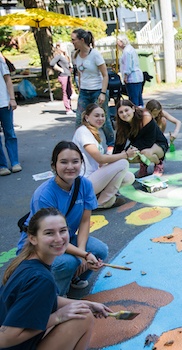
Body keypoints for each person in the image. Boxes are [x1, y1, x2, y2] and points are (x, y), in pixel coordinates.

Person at [1, 208, 112, 349]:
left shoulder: (26, 262)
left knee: (82, 310)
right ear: (32, 238)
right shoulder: (41, 279)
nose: (59, 239)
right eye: (49, 233)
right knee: (83, 317)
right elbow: (4, 338)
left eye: (63, 231)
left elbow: (41, 299)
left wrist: (86, 305)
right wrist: (58, 317)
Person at [16, 141, 108, 296]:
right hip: (41, 244)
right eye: (64, 162)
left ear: (81, 163)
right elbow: (50, 237)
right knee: (68, 262)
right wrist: (82, 255)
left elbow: (85, 221)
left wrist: (82, 252)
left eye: (75, 161)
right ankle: (54, 297)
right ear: (54, 166)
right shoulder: (44, 195)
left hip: (65, 238)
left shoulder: (84, 184)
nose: (70, 167)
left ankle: (73, 277)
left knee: (100, 250)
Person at [72, 103, 136, 209]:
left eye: (102, 115)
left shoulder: (93, 132)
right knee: (123, 163)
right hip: (83, 183)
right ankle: (101, 202)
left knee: (128, 177)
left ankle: (99, 196)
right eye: (96, 115)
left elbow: (100, 161)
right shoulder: (83, 132)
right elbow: (99, 158)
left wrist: (109, 162)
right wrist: (125, 154)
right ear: (87, 117)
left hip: (92, 177)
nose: (100, 118)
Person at [71, 28, 115, 147]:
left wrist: (103, 93)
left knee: (102, 119)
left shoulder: (95, 54)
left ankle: (112, 145)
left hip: (97, 90)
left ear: (82, 40)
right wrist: (80, 89)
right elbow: (80, 73)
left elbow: (105, 75)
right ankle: (79, 145)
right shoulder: (76, 55)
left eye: (73, 40)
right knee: (80, 119)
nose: (72, 42)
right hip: (84, 92)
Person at [113, 100, 168, 178]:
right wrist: (114, 159)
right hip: (140, 146)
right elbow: (119, 145)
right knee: (123, 156)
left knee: (145, 153)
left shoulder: (145, 117)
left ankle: (158, 163)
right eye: (121, 112)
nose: (124, 114)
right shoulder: (122, 124)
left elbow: (149, 141)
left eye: (126, 110)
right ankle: (144, 164)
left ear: (133, 109)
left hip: (157, 144)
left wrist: (129, 151)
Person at [0, 51, 20, 176]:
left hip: (3, 101)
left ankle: (14, 162)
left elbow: (7, 79)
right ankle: (2, 165)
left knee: (10, 132)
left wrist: (12, 98)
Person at [117, 35, 144, 107]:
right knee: (138, 98)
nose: (117, 44)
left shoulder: (126, 52)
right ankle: (140, 110)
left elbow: (128, 65)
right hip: (137, 77)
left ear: (122, 42)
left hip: (132, 78)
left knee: (133, 99)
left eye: (118, 42)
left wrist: (125, 76)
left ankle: (135, 113)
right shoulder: (130, 49)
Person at [50, 43, 75, 116]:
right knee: (65, 92)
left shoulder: (65, 55)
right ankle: (68, 109)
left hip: (68, 75)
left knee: (69, 91)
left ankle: (70, 107)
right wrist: (60, 69)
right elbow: (52, 63)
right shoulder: (58, 56)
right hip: (63, 76)